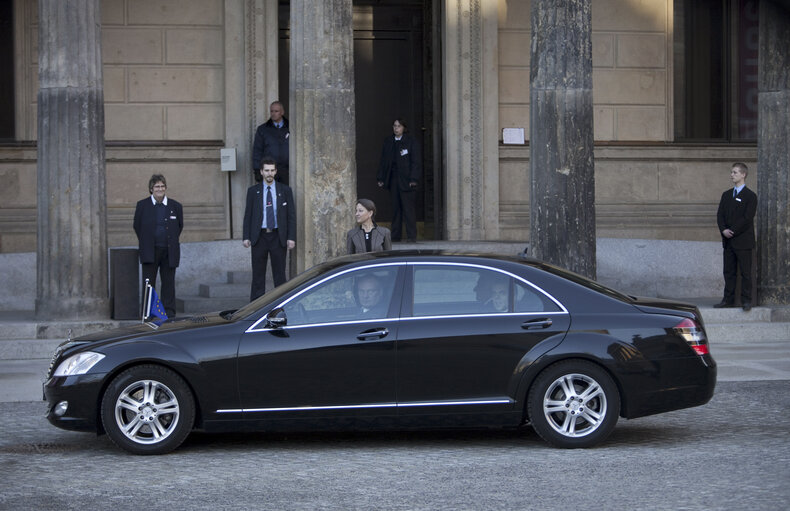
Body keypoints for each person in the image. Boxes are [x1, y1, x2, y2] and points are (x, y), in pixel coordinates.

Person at [242, 158, 296, 301]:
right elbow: (248, 215)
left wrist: (291, 237)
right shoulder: (253, 191)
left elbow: (291, 216)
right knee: (258, 275)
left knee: (279, 275)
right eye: (266, 170)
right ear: (261, 172)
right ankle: (255, 308)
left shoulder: (285, 190)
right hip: (259, 237)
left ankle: (281, 305)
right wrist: (246, 236)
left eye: (272, 170)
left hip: (278, 237)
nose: (269, 173)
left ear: (276, 171)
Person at [133, 174, 183, 318]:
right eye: (157, 187)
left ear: (165, 188)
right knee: (149, 284)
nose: (160, 189)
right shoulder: (142, 205)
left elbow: (179, 226)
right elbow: (137, 226)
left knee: (168, 283)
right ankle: (148, 313)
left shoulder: (175, 206)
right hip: (150, 250)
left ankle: (169, 313)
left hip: (169, 251)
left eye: (162, 186)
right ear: (151, 189)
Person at [715, 162, 758, 311]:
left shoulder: (751, 196)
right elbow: (720, 215)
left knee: (746, 272)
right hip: (728, 241)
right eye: (732, 172)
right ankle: (728, 299)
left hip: (743, 241)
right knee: (729, 271)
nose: (731, 175)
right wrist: (724, 230)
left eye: (734, 172)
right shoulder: (726, 195)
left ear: (743, 174)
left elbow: (747, 218)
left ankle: (747, 300)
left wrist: (732, 230)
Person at [377, 117, 421, 242]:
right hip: (393, 179)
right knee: (396, 209)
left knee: (408, 209)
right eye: (394, 126)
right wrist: (381, 177)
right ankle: (395, 236)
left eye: (399, 126)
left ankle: (411, 236)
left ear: (404, 128)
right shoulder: (389, 141)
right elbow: (384, 161)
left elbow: (415, 162)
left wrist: (414, 178)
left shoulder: (411, 142)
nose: (396, 128)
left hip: (407, 180)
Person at [252, 101, 290, 185]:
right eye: (272, 111)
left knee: (286, 195)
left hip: (287, 171)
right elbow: (257, 151)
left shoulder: (291, 127)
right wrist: (257, 170)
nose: (273, 114)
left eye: (276, 111)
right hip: (269, 170)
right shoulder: (262, 130)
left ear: (282, 112)